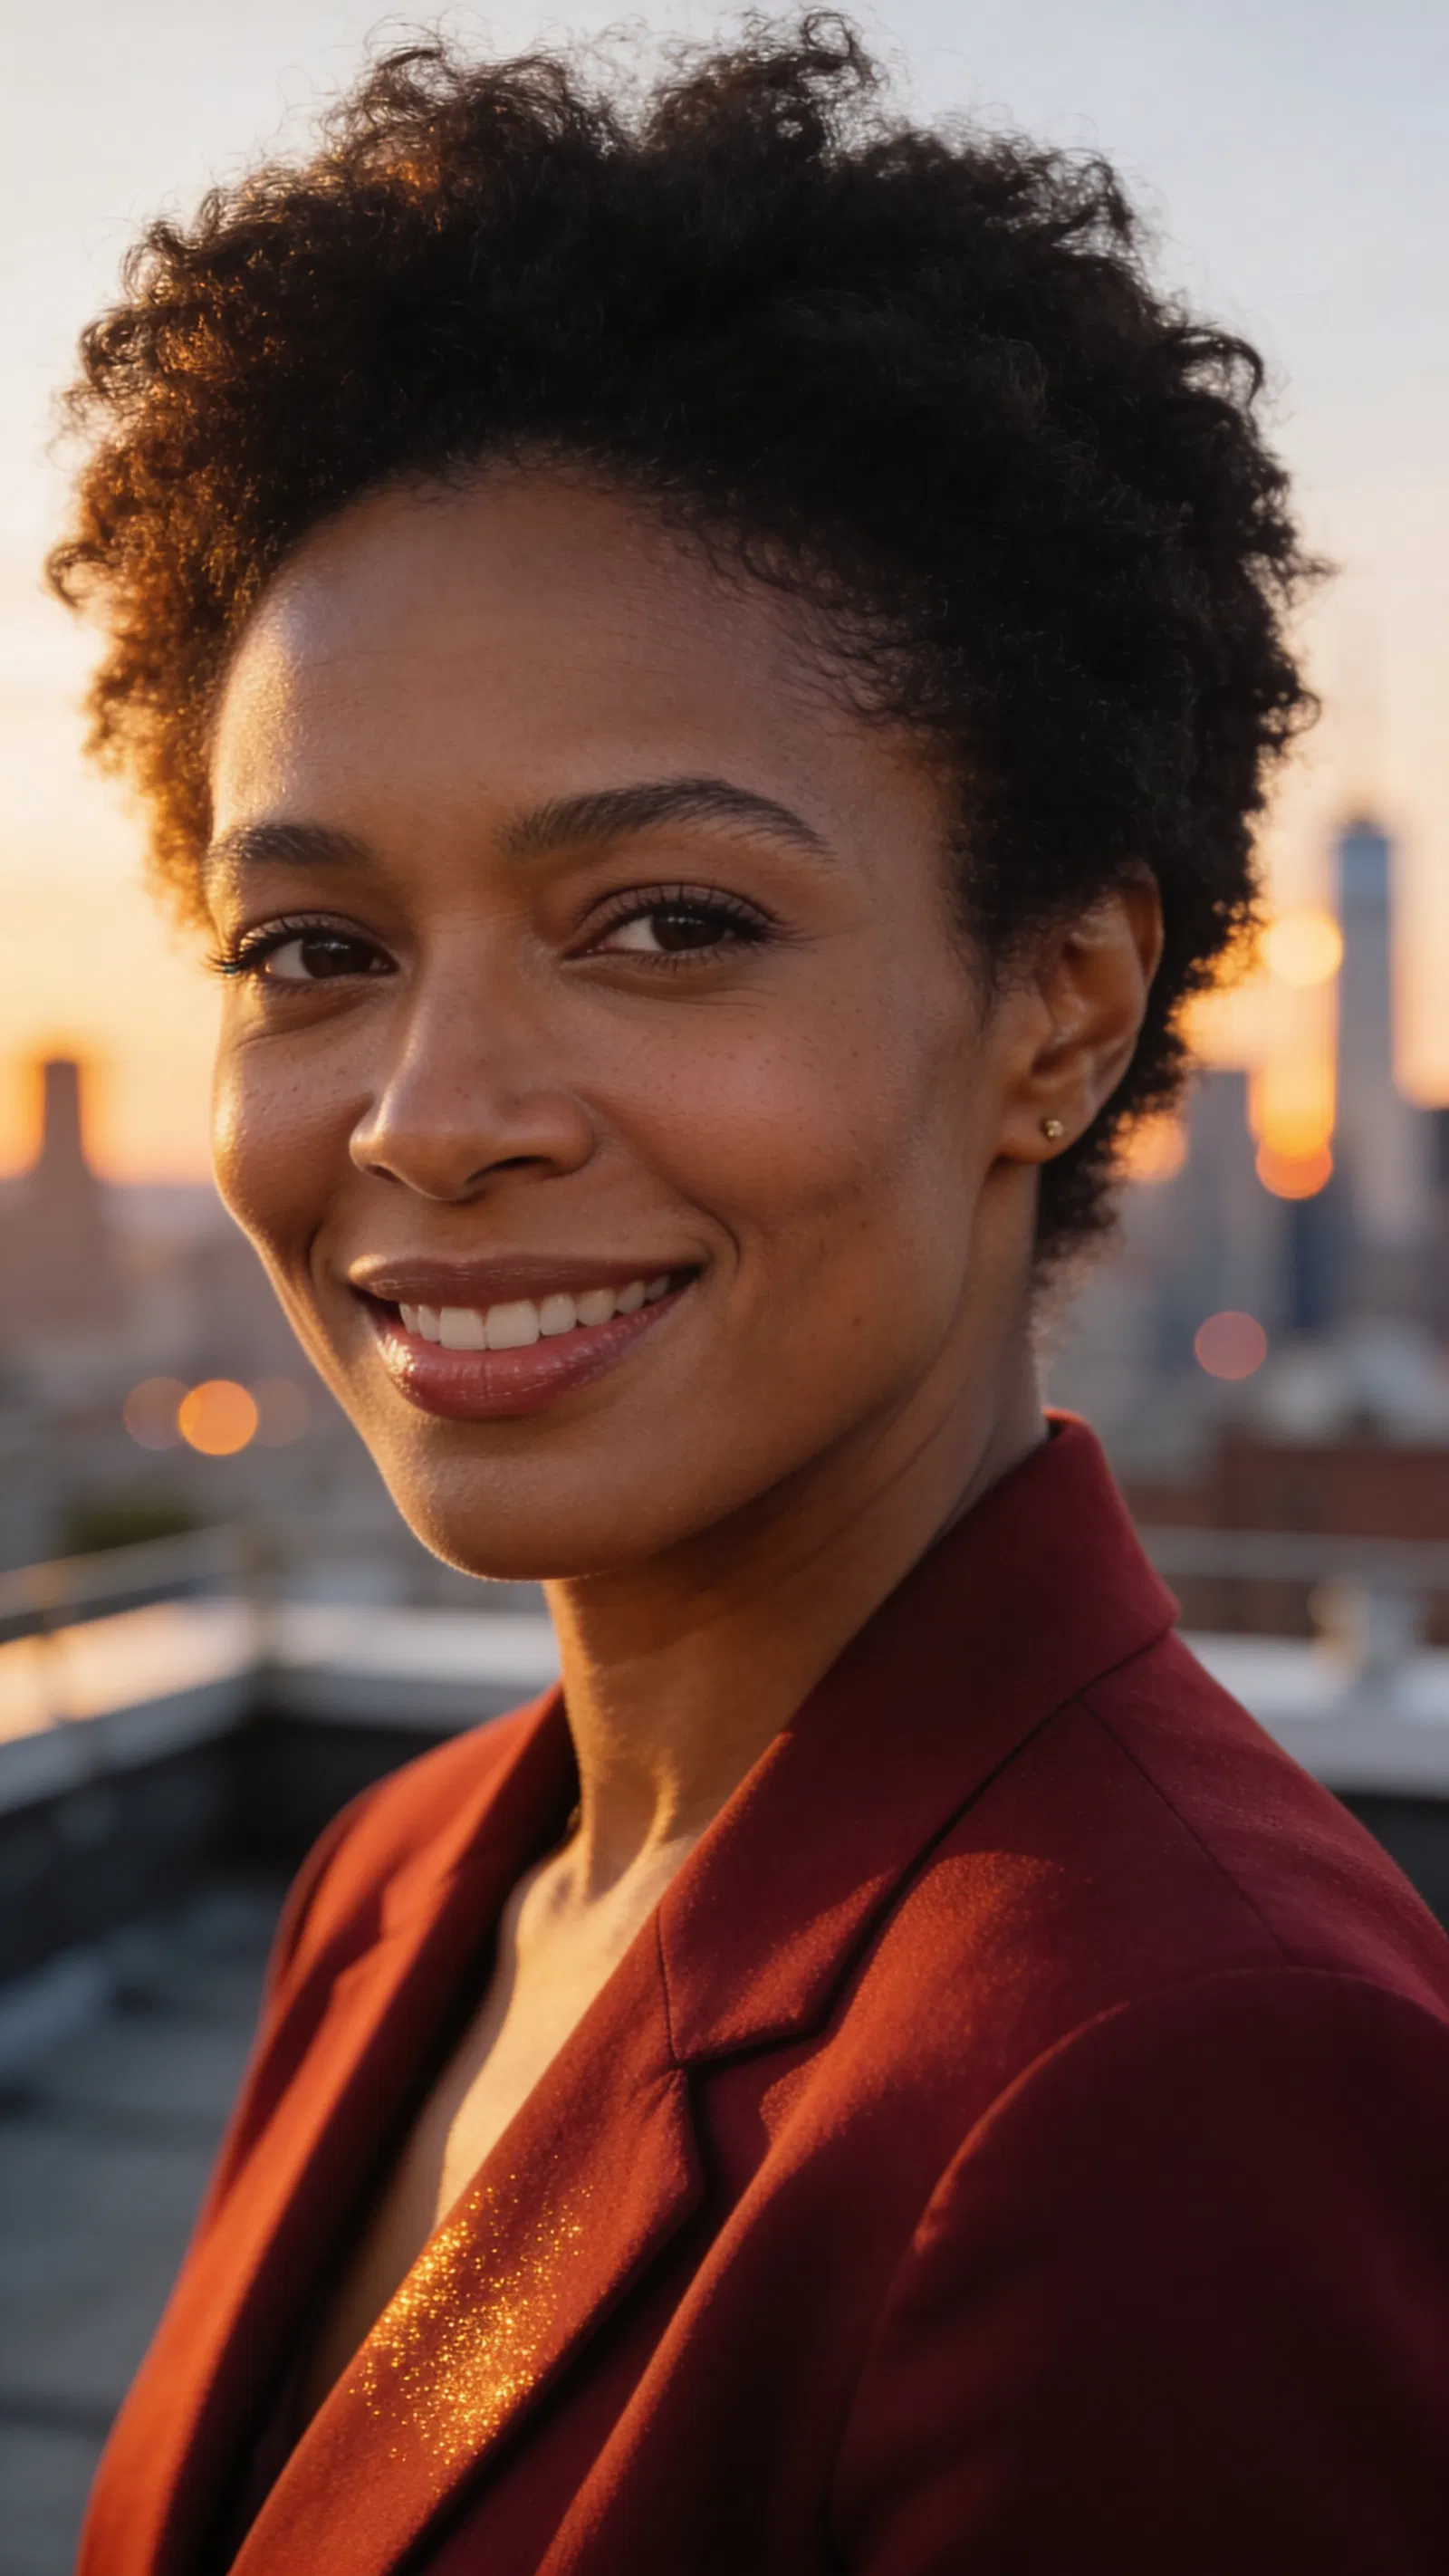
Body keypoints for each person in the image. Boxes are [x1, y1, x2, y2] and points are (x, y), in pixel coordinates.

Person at [53, 23, 1449, 2573]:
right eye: (316, 944)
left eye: (669, 922)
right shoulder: (411, 1876)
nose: (429, 1112)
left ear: (1059, 1007)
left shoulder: (1180, 2079)